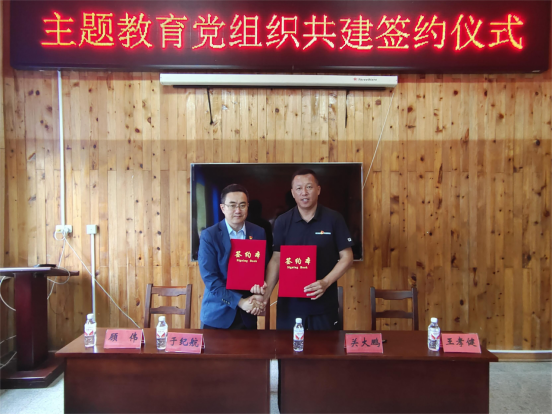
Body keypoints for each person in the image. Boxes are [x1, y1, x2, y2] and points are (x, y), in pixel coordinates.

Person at [254, 168, 354, 330]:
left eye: (309, 187)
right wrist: (265, 297)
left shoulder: (334, 219)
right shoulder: (282, 221)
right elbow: (277, 259)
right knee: (287, 347)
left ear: (318, 190)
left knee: (324, 347)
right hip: (289, 307)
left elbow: (347, 256)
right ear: (293, 193)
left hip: (323, 305)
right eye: (299, 188)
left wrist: (326, 282)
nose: (304, 193)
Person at [199, 184, 267, 329]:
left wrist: (260, 290)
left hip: (248, 314)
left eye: (242, 205)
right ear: (223, 208)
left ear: (248, 206)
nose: (238, 210)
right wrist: (240, 302)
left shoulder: (258, 232)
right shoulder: (209, 235)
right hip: (218, 314)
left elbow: (260, 268)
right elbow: (210, 279)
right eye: (232, 205)